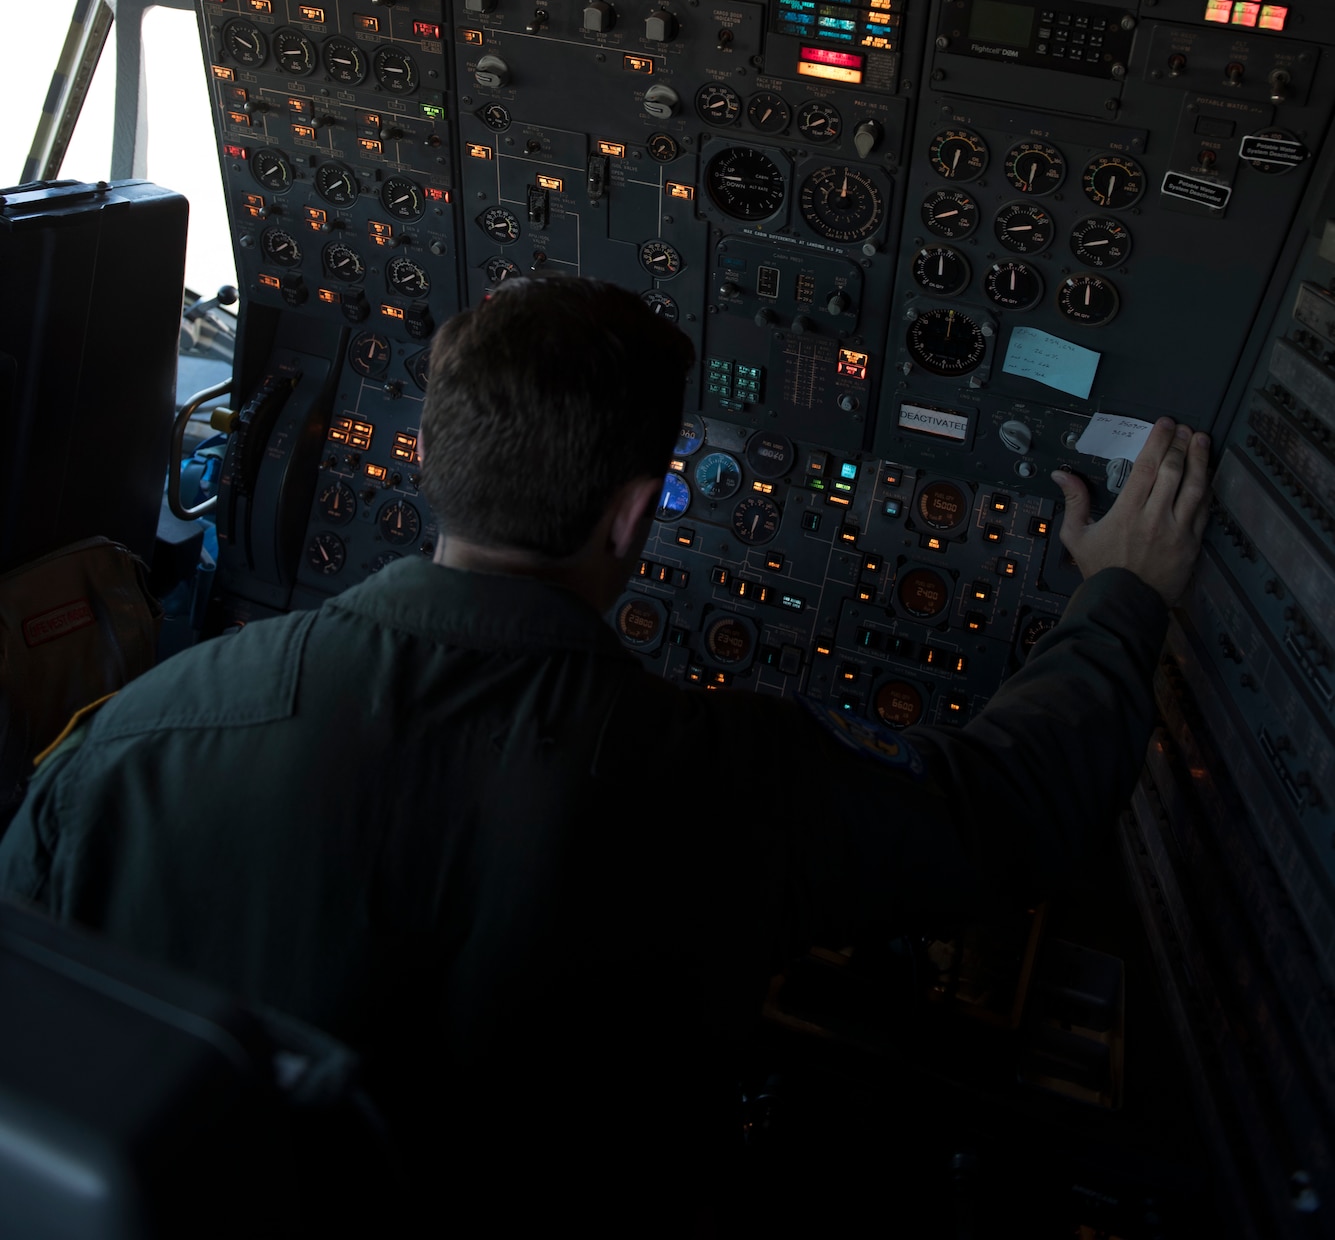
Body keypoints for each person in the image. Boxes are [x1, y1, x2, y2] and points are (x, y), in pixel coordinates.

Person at [0, 278, 1208, 1222]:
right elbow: (1002, 819)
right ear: (636, 515)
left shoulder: (135, 737)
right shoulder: (729, 779)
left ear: (429, 461)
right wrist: (1120, 596)